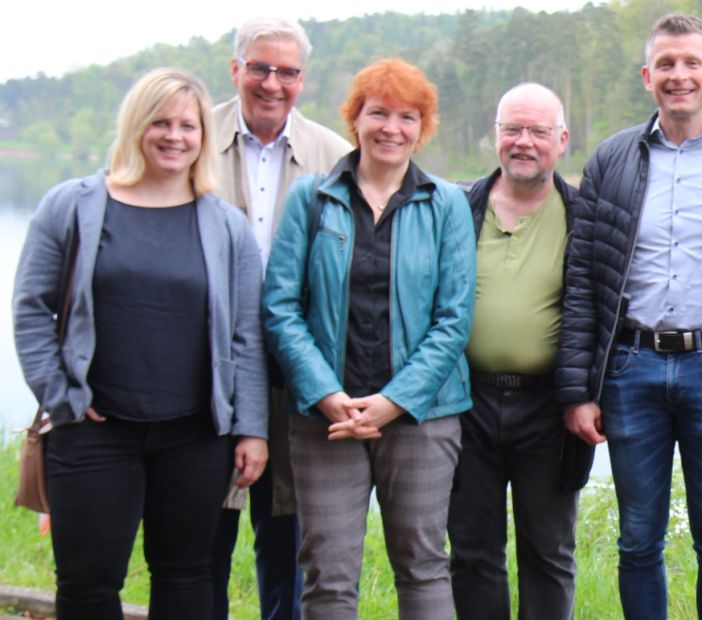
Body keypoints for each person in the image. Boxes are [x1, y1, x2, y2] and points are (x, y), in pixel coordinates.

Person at [12, 68, 267, 619]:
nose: (174, 136)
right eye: (160, 122)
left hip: (195, 435)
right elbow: (31, 309)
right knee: (86, 584)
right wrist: (62, 398)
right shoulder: (70, 205)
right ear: (135, 126)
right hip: (92, 432)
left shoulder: (227, 226)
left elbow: (247, 336)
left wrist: (251, 428)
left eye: (188, 125)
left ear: (203, 136)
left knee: (186, 574)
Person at [557, 13, 702, 619]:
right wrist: (578, 390)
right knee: (637, 539)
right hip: (630, 370)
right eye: (665, 64)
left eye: (690, 64)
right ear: (646, 76)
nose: (678, 75)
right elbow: (583, 281)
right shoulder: (610, 161)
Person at [262, 58, 475, 618]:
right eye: (378, 113)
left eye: (408, 117)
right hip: (324, 419)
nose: (391, 128)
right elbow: (281, 307)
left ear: (422, 128)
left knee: (424, 566)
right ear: (355, 118)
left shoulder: (447, 202)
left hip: (423, 418)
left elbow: (454, 318)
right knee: (327, 573)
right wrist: (325, 394)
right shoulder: (310, 198)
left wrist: (393, 402)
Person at [209, 17, 352, 620]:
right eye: (260, 68)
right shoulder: (193, 135)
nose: (273, 83)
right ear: (236, 69)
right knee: (203, 536)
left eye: (287, 72)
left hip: (297, 375)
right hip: (207, 371)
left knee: (286, 535)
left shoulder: (334, 155)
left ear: (303, 79)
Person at [447, 82, 592, 620]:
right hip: (466, 406)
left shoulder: (585, 217)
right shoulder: (458, 209)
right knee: (472, 553)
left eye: (538, 131)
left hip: (550, 409)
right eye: (513, 129)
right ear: (496, 137)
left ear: (562, 140)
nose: (524, 142)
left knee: (549, 553)